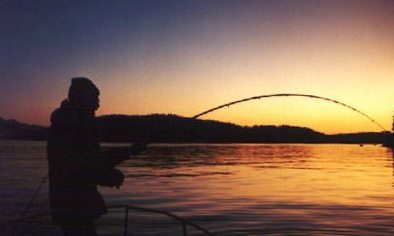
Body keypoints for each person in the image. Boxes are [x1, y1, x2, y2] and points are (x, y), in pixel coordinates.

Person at [47, 77, 145, 235]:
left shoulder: (66, 124)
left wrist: (127, 153)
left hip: (69, 207)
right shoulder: (73, 128)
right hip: (76, 208)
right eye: (95, 98)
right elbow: (87, 167)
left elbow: (88, 164)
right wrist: (112, 173)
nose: (98, 105)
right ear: (82, 99)